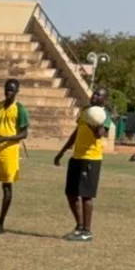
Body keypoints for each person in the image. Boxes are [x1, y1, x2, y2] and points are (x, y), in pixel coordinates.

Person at [54, 88, 112, 242]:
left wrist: (93, 121)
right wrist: (62, 152)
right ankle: (79, 227)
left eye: (99, 95)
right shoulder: (85, 110)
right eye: (94, 93)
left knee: (86, 196)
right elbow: (76, 132)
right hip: (76, 157)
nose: (94, 96)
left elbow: (100, 134)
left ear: (104, 99)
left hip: (91, 159)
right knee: (71, 193)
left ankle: (87, 231)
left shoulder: (104, 115)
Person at [0, 79, 30, 234]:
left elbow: (24, 133)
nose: (8, 91)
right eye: (7, 89)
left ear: (17, 91)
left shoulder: (20, 109)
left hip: (9, 152)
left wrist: (5, 138)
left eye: (12, 89)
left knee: (6, 186)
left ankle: (0, 223)